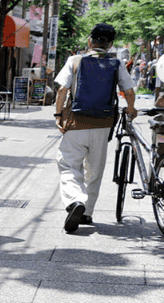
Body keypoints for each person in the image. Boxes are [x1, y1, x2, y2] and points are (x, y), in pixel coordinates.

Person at [54, 23, 136, 233]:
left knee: (68, 165)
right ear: (110, 44)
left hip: (75, 123)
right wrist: (131, 109)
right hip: (103, 125)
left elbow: (62, 90)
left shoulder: (75, 60)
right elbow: (129, 91)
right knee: (95, 169)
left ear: (90, 40)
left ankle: (75, 201)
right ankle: (87, 212)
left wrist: (58, 114)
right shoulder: (116, 64)